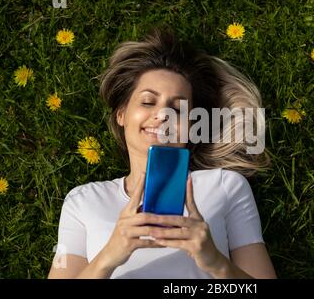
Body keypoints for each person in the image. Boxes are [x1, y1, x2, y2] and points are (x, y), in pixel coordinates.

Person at [48, 28, 277, 279]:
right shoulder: (83, 201)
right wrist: (108, 257)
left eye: (178, 109)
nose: (163, 115)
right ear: (121, 114)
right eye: (148, 102)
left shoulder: (225, 186)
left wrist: (215, 262)